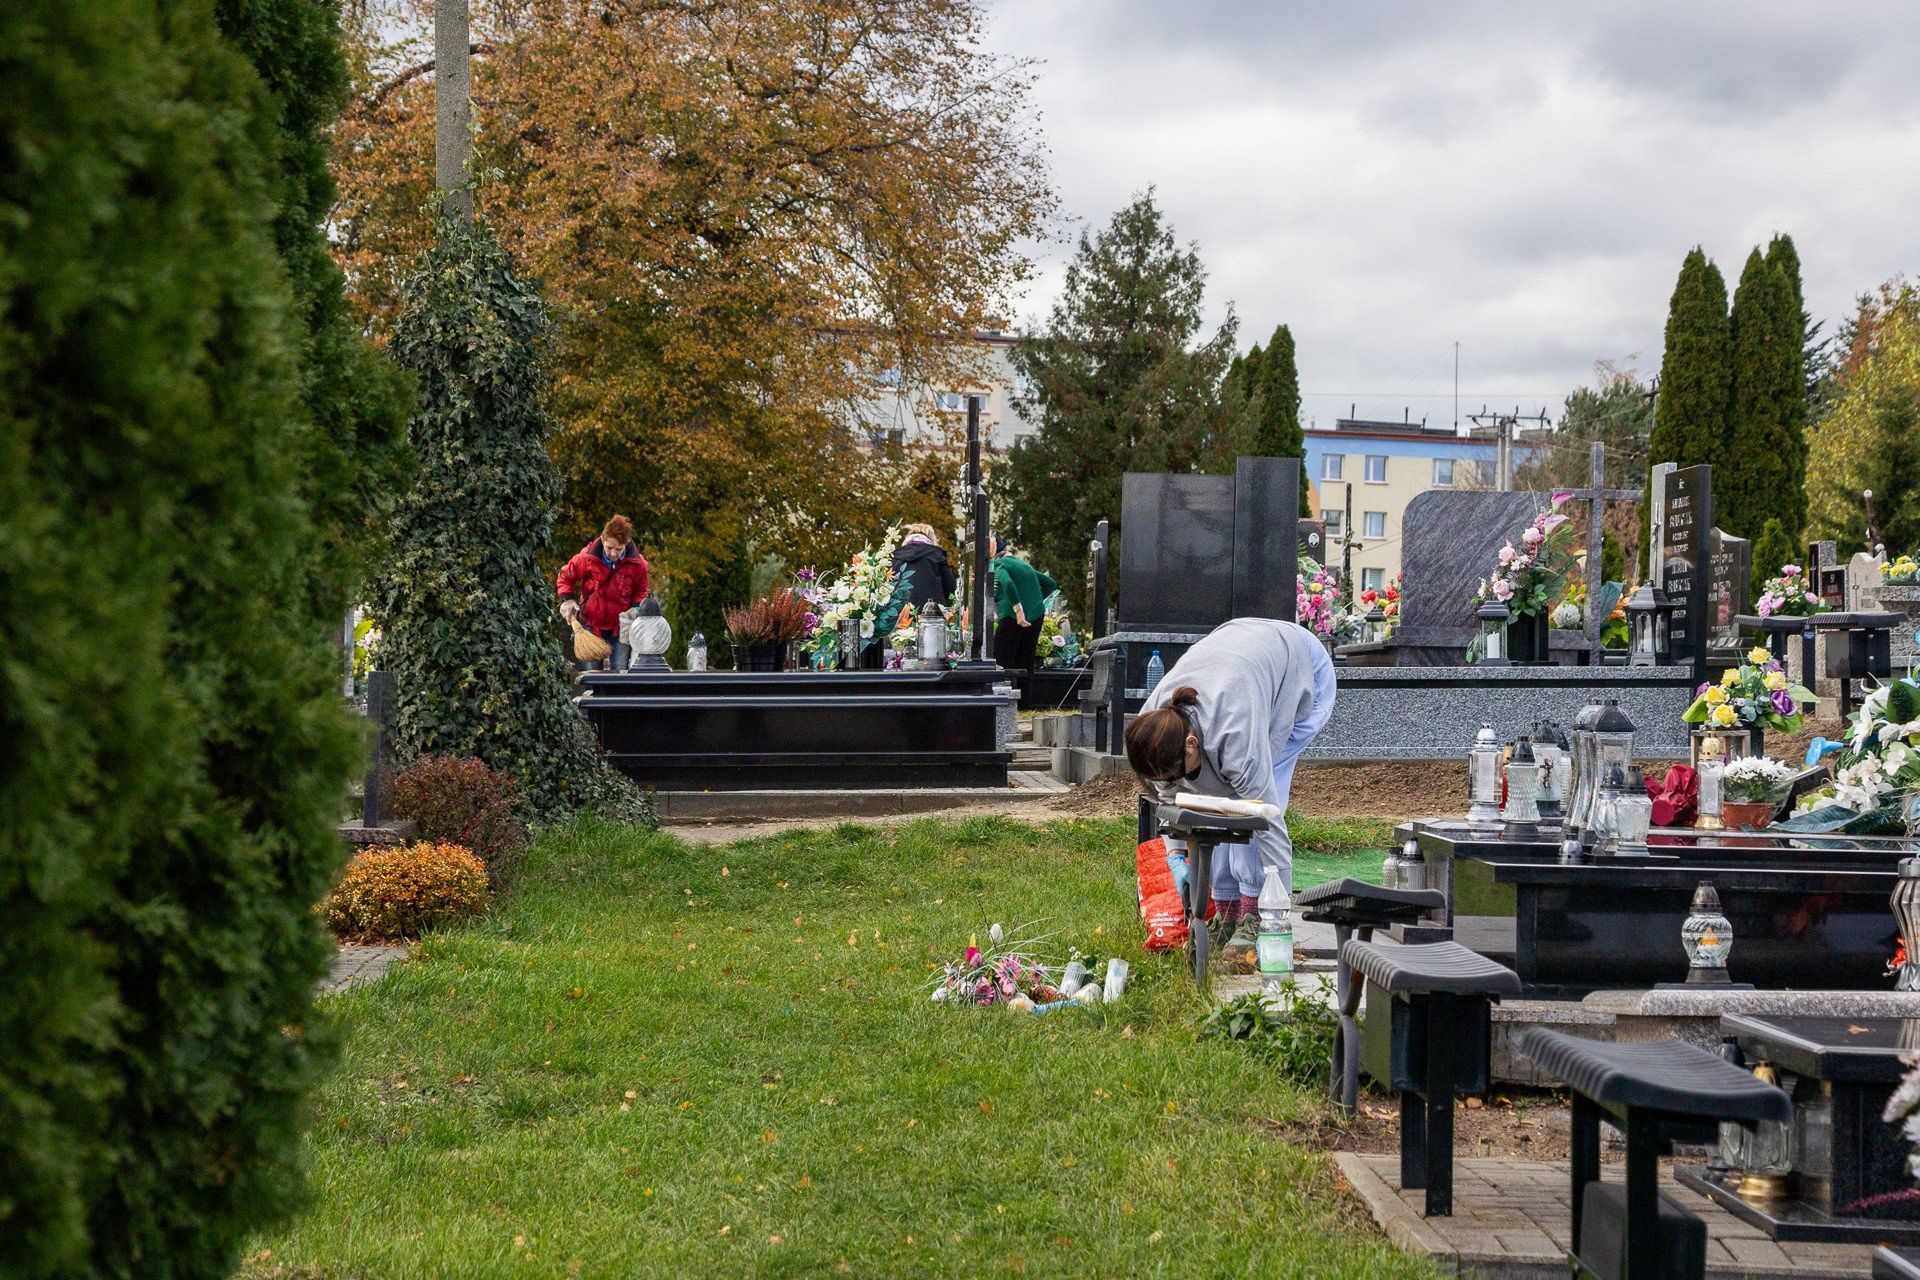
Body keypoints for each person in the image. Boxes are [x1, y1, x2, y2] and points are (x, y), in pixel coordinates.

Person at [1123, 618, 1337, 971]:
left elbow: (1267, 821)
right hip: (1242, 653)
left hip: (1299, 667)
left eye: (1176, 772)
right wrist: (1177, 856)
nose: (1171, 780)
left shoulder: (1236, 735)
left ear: (1192, 745)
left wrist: (1276, 913)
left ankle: (1252, 915)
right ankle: (1227, 912)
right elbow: (1170, 797)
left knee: (1246, 804)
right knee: (1211, 796)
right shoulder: (1154, 724)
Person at [557, 515, 650, 669]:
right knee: (592, 675)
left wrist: (635, 607)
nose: (613, 553)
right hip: (591, 625)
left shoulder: (638, 564)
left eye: (618, 549)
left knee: (619, 672)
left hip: (621, 627)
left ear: (626, 544)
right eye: (609, 548)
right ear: (602, 539)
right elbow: (565, 575)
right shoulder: (587, 557)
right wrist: (567, 599)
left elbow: (642, 589)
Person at [990, 538, 1055, 675]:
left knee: (1001, 662)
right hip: (1036, 617)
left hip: (1012, 617)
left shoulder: (998, 564)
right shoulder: (1025, 565)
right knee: (1026, 663)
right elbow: (1050, 583)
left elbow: (1007, 583)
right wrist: (1034, 602)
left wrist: (1018, 609)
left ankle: (1004, 696)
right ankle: (1024, 696)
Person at [891, 524, 956, 614]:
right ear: (931, 537)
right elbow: (950, 585)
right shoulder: (936, 554)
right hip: (932, 612)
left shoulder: (895, 556)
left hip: (901, 612)